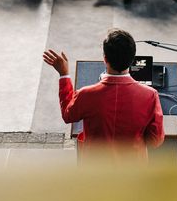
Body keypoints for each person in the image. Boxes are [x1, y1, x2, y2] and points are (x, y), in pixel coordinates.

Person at [42, 29, 164, 160]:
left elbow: (68, 115)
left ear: (105, 59)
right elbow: (155, 141)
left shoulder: (86, 94)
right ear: (132, 59)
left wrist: (64, 75)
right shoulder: (150, 95)